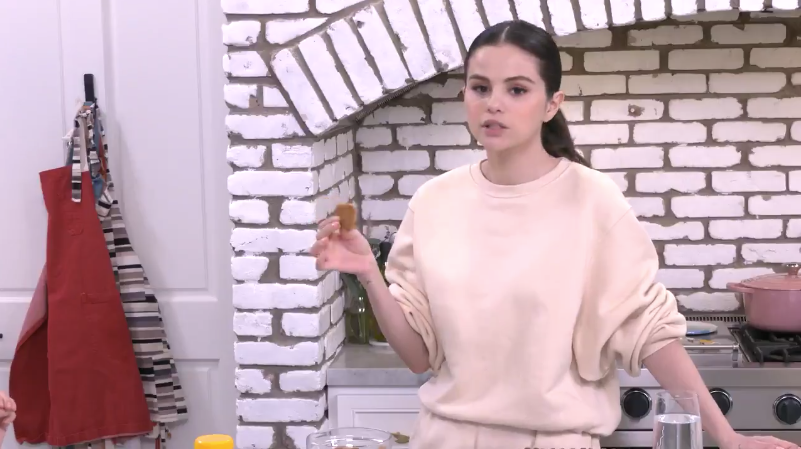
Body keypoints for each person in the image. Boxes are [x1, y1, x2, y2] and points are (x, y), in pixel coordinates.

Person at [312, 19, 797, 449]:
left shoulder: (592, 200)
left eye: (517, 90)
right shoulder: (434, 202)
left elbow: (649, 331)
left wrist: (727, 437)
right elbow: (418, 355)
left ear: (551, 104)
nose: (494, 104)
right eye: (479, 87)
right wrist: (368, 274)